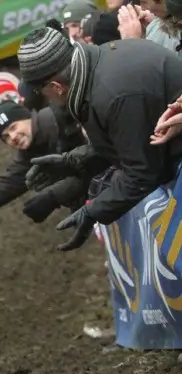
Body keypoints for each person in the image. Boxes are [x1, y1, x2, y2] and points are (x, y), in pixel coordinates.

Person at [16, 26, 182, 251]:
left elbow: (142, 172)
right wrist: (75, 160)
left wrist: (93, 211)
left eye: (38, 91)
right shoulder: (96, 66)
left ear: (56, 87)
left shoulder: (113, 94)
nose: (43, 98)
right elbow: (131, 138)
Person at [0, 98, 88, 230]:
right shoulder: (31, 151)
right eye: (6, 136)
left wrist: (55, 194)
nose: (12, 137)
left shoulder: (66, 118)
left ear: (28, 117)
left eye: (13, 127)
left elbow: (101, 162)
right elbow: (9, 183)